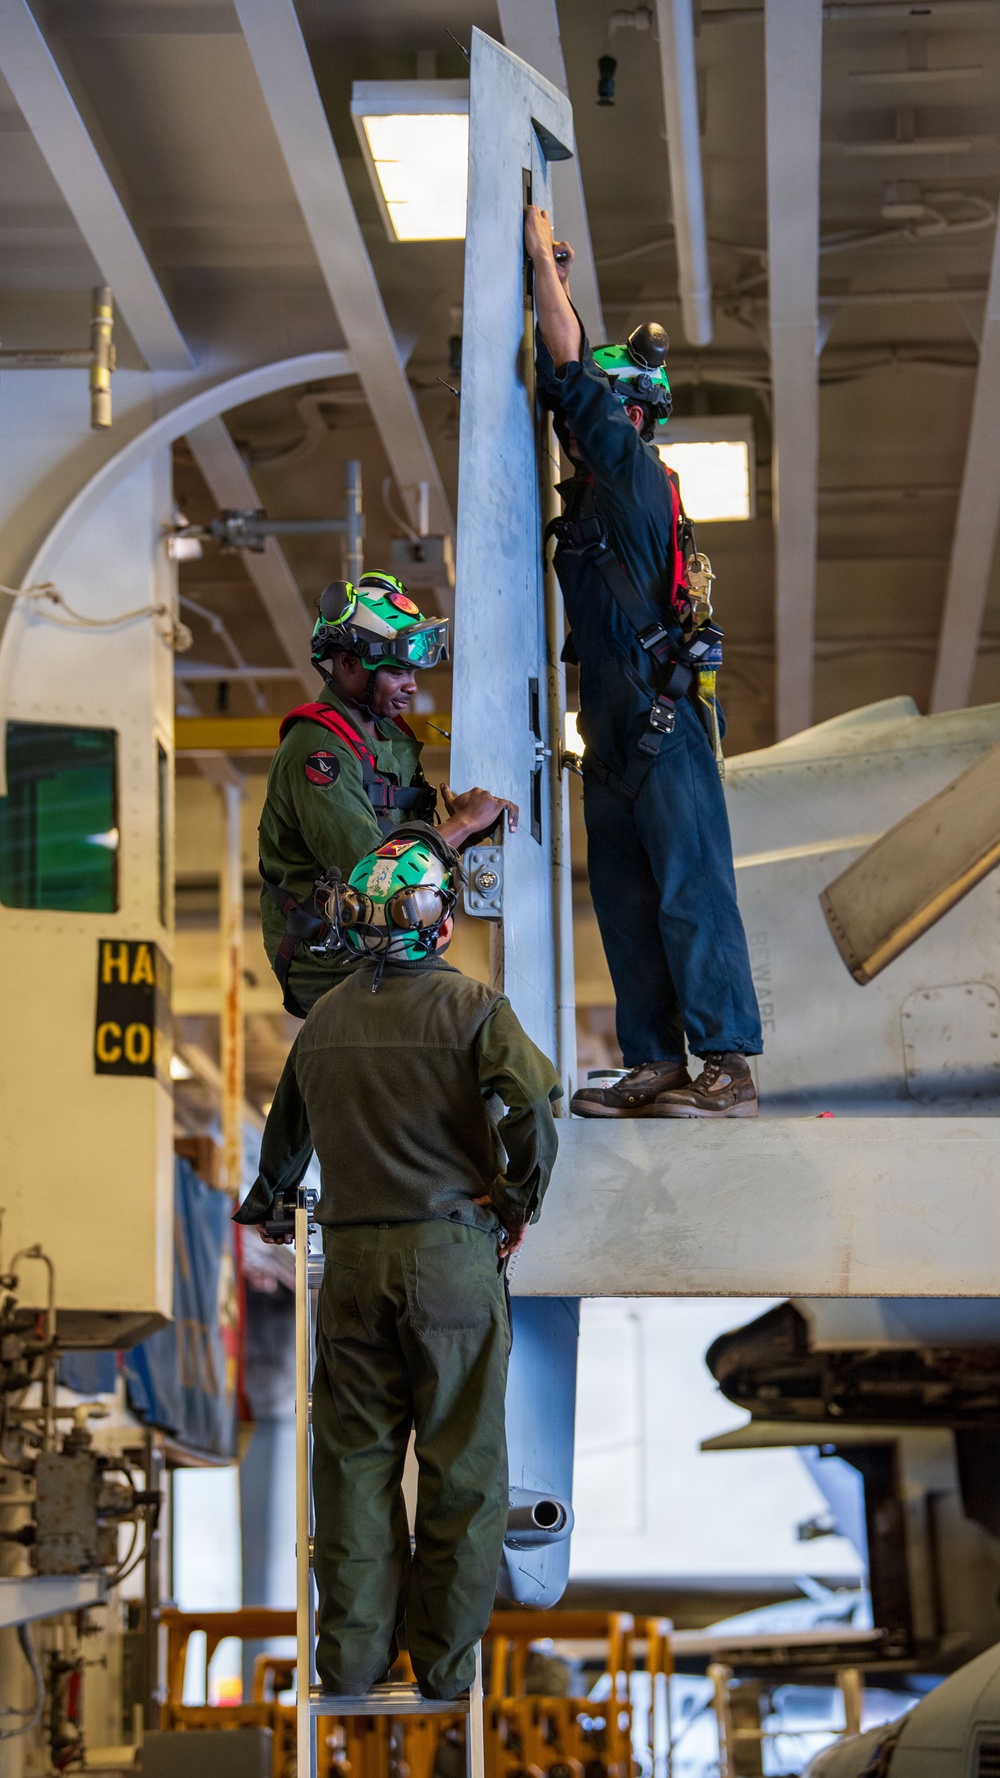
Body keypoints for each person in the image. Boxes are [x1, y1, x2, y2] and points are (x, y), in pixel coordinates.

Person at [235, 827, 562, 1700]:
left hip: (350, 1266)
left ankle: (346, 1661)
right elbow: (532, 1102)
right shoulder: (475, 1011)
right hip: (450, 1258)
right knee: (461, 1471)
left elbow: (285, 1133)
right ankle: (446, 1671)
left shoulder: (327, 1019)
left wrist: (271, 1201)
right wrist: (515, 1197)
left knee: (352, 1469)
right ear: (439, 923)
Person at [524, 205, 762, 1120]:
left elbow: (567, 367)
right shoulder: (593, 494)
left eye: (586, 416)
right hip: (615, 728)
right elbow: (569, 376)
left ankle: (728, 1066)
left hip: (663, 721)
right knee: (625, 904)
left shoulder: (627, 470)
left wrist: (545, 266)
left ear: (623, 417)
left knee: (691, 895)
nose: (569, 428)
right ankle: (658, 1059)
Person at [258, 569, 517, 1016]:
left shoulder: (380, 735)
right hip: (330, 952)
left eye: (413, 672)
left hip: (377, 939)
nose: (412, 686)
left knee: (478, 1018)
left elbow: (395, 856)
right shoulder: (319, 749)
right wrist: (460, 825)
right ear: (349, 664)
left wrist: (462, 836)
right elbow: (375, 880)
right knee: (477, 1019)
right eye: (398, 672)